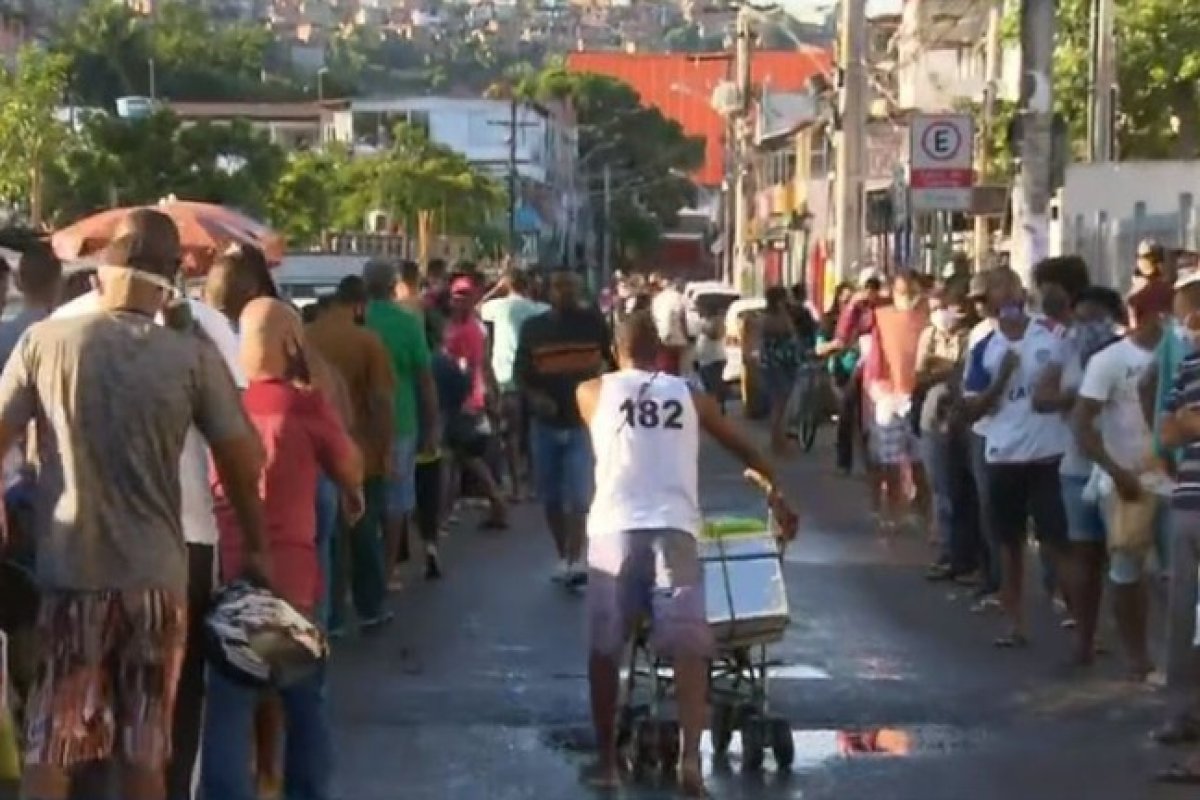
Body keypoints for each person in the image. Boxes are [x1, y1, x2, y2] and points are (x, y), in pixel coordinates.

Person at [1, 209, 268, 800]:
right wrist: (258, 552)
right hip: (157, 582)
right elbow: (244, 462)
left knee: (53, 745)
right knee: (145, 753)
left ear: (101, 272)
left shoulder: (44, 343)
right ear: (174, 276)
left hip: (73, 574)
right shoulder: (188, 356)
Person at [575, 311, 794, 796]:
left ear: (616, 349)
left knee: (606, 649)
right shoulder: (692, 399)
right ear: (662, 351)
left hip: (615, 531)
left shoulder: (591, 393)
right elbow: (745, 448)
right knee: (691, 647)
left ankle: (609, 760)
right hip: (675, 531)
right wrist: (777, 488)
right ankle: (691, 759)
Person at [201, 298, 363, 800]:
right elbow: (351, 469)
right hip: (291, 584)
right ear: (292, 343)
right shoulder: (304, 404)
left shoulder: (219, 403)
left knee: (227, 711)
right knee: (303, 708)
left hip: (229, 578)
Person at [962, 267, 1071, 648]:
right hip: (1004, 456)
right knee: (1008, 545)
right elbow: (972, 410)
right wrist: (999, 381)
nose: (1006, 299)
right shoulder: (983, 347)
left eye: (1010, 290)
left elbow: (1074, 386)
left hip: (1048, 454)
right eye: (996, 293)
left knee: (1058, 538)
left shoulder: (1054, 335)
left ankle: (1075, 615)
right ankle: (1016, 622)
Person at [1072, 281, 1172, 679]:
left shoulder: (1183, 355)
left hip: (1174, 481)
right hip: (1126, 486)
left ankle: (1176, 659)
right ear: (1151, 316)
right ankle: (1137, 656)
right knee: (1128, 573)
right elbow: (1082, 424)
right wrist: (1116, 472)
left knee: (1179, 576)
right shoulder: (1110, 361)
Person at [1033, 282, 1125, 664]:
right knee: (1083, 554)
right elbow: (1041, 397)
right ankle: (1085, 637)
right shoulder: (1064, 350)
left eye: (1095, 318)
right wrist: (1078, 397)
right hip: (1077, 466)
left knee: (1121, 558)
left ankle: (1122, 638)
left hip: (1120, 467)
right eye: (1081, 317)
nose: (1087, 326)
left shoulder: (1129, 354)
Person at [305, 275, 397, 632]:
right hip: (359, 451)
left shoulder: (306, 337)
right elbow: (380, 402)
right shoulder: (367, 342)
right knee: (362, 529)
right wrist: (386, 449)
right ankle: (370, 605)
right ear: (360, 306)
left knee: (326, 537)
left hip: (314, 450)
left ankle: (331, 612)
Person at [514, 268, 611, 586]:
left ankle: (575, 558)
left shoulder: (594, 325)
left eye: (570, 286)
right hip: (545, 425)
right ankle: (562, 555)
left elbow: (611, 365)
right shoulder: (533, 329)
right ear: (548, 290)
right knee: (551, 497)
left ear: (579, 290)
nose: (564, 292)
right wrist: (536, 398)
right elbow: (521, 375)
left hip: (584, 424)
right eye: (558, 286)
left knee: (580, 497)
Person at [363, 259, 438, 592]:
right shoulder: (408, 324)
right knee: (396, 501)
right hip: (401, 421)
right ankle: (388, 570)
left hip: (358, 423)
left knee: (363, 497)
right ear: (394, 286)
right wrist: (432, 425)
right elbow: (425, 380)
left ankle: (360, 572)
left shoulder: (358, 320)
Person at [864, 272, 930, 533]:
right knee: (888, 460)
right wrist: (877, 389)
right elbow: (874, 357)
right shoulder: (882, 318)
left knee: (921, 462)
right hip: (889, 396)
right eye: (903, 292)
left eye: (913, 292)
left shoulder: (929, 318)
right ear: (893, 292)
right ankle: (893, 512)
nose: (908, 298)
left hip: (920, 396)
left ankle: (923, 513)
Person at [916, 283, 972, 577]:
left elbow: (965, 375)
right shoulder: (930, 335)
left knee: (958, 491)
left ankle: (961, 556)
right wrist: (945, 369)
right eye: (936, 309)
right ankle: (949, 553)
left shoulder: (972, 337)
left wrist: (944, 368)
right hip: (933, 419)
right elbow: (920, 374)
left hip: (960, 419)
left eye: (945, 308)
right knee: (941, 488)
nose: (941, 314)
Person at [443, 275, 507, 528]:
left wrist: (473, 396)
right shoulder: (465, 326)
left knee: (462, 455)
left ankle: (494, 500)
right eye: (456, 296)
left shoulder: (468, 330)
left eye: (464, 296)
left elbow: (471, 367)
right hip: (466, 395)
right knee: (462, 456)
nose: (458, 301)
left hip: (464, 398)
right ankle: (455, 508)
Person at [480, 268, 548, 500]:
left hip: (505, 377)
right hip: (534, 376)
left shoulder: (499, 306)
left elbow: (477, 307)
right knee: (533, 433)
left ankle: (516, 487)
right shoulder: (538, 310)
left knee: (511, 435)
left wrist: (495, 290)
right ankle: (536, 483)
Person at [0, 244, 62, 367]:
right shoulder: (69, 331)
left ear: (18, 282)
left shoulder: (5, 336)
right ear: (60, 282)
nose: (5, 302)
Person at [760, 286, 800, 455]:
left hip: (781, 364)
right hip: (776, 365)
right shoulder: (772, 319)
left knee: (781, 404)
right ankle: (778, 441)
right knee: (779, 404)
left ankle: (778, 440)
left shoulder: (771, 317)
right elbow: (789, 331)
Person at [650, 276, 689, 375]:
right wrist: (687, 336)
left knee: (664, 368)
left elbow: (653, 318)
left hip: (661, 338)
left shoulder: (657, 298)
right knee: (678, 369)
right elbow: (683, 319)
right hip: (677, 339)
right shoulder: (680, 298)